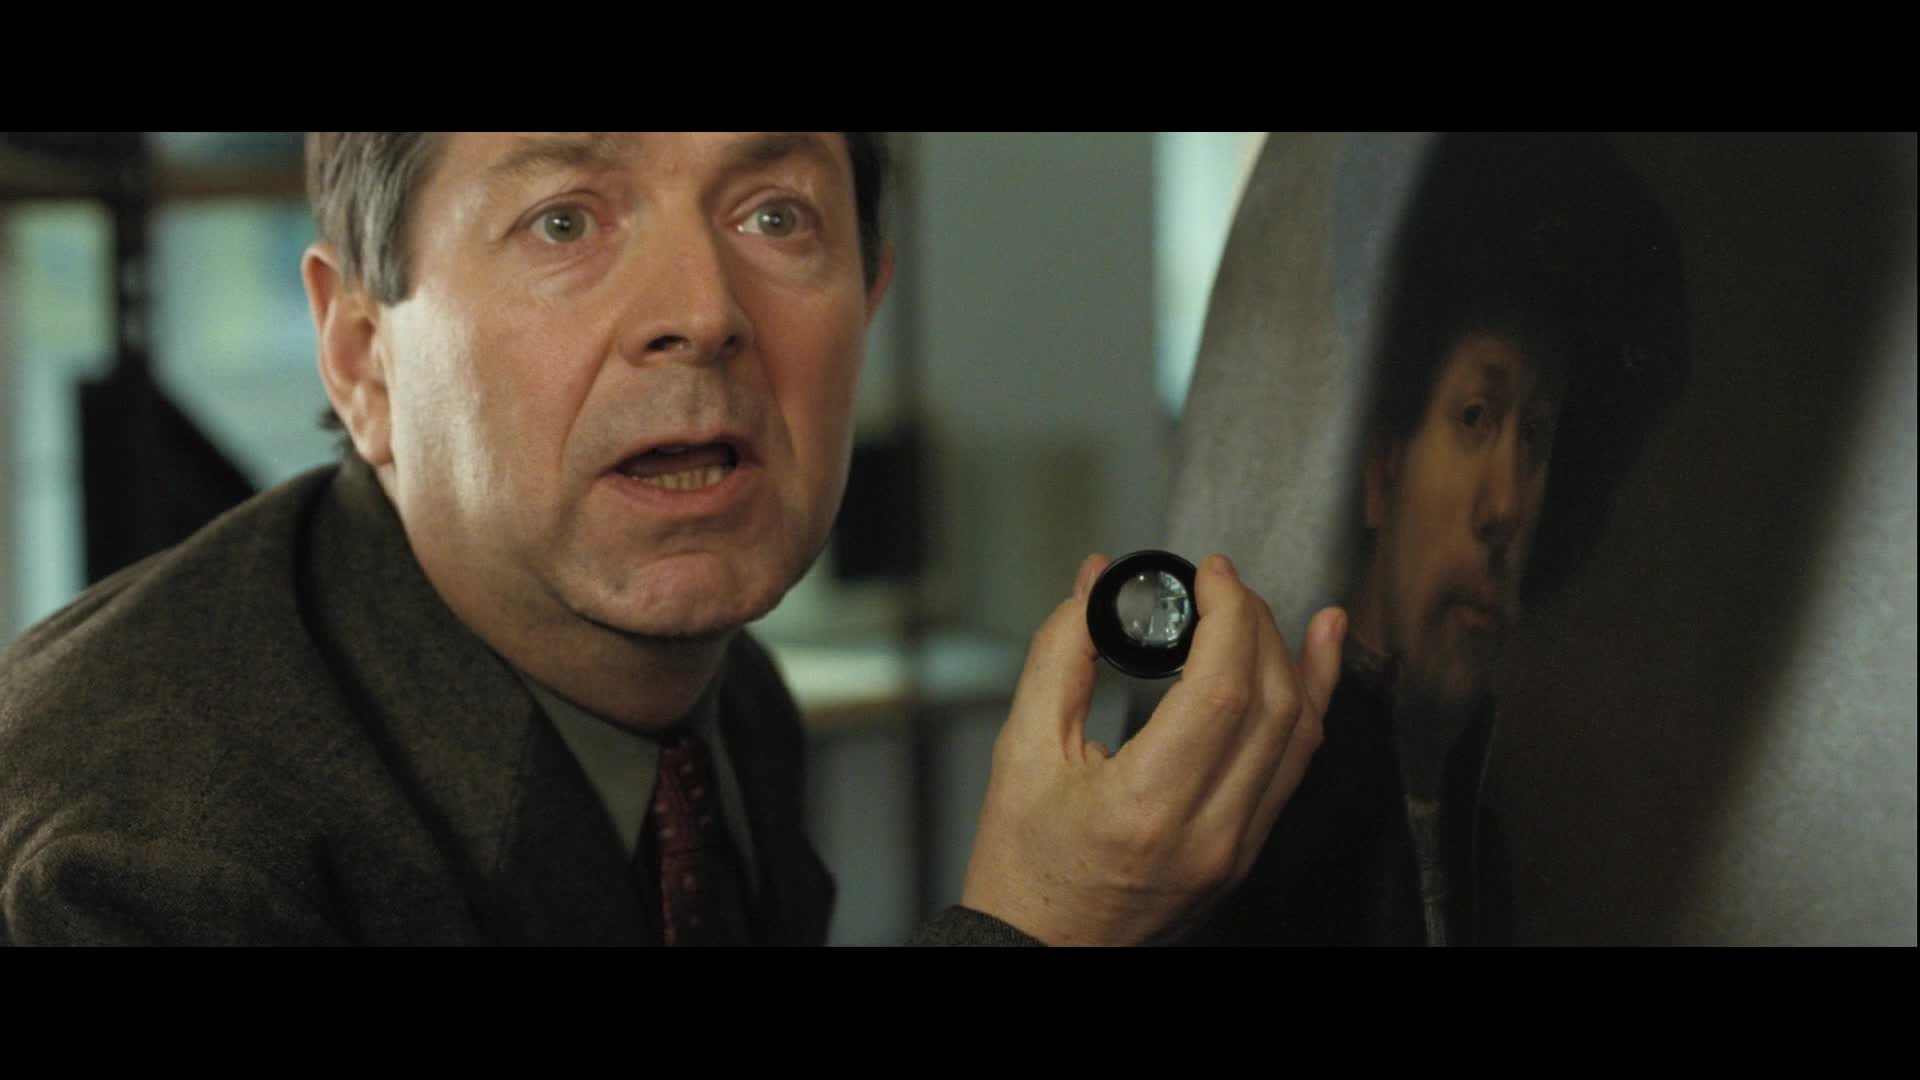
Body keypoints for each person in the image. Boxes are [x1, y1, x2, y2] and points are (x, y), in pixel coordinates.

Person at [0, 132, 1343, 946]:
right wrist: (1035, 931)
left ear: (868, 300)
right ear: (362, 355)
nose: (704, 310)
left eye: (775, 216)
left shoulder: (724, 703)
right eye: (565, 221)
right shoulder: (144, 861)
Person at [1188, 132, 1690, 945]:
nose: (1507, 505)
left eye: (1537, 435)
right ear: (1381, 464)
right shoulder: (1266, 818)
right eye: (1475, 417)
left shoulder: (1483, 843)